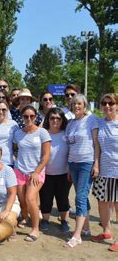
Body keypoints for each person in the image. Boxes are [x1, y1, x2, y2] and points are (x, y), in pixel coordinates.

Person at [64, 94, 100, 248]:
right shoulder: (70, 123)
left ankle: (77, 235)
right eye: (74, 104)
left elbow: (97, 144)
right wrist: (68, 167)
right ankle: (86, 229)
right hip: (73, 163)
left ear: (85, 105)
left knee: (80, 197)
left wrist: (96, 164)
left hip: (86, 162)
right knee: (83, 197)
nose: (77, 106)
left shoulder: (91, 120)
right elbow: (69, 146)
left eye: (79, 103)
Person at [13, 105, 51, 242]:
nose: (28, 119)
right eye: (25, 116)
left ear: (36, 117)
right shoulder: (18, 133)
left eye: (31, 116)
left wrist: (36, 172)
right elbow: (14, 147)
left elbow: (46, 155)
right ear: (22, 117)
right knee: (22, 200)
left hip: (36, 172)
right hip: (20, 170)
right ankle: (25, 217)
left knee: (30, 198)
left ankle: (35, 229)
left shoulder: (42, 133)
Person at [92, 93, 118, 252]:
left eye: (111, 103)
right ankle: (106, 232)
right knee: (102, 203)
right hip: (103, 170)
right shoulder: (99, 122)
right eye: (104, 103)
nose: (107, 106)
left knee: (117, 205)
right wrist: (96, 165)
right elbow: (97, 147)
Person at [39, 108, 71, 232]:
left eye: (58, 118)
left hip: (64, 173)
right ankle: (45, 220)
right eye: (52, 118)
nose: (55, 120)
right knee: (46, 198)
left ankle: (64, 221)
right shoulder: (43, 133)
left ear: (62, 120)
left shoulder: (66, 134)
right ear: (48, 119)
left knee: (63, 199)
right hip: (46, 173)